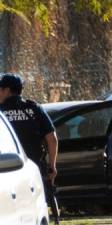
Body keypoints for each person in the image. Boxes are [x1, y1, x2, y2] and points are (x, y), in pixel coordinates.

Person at [0, 73, 59, 224]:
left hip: (5, 172)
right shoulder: (33, 108)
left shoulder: (1, 113)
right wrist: (52, 166)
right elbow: (52, 140)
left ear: (6, 90)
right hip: (34, 172)